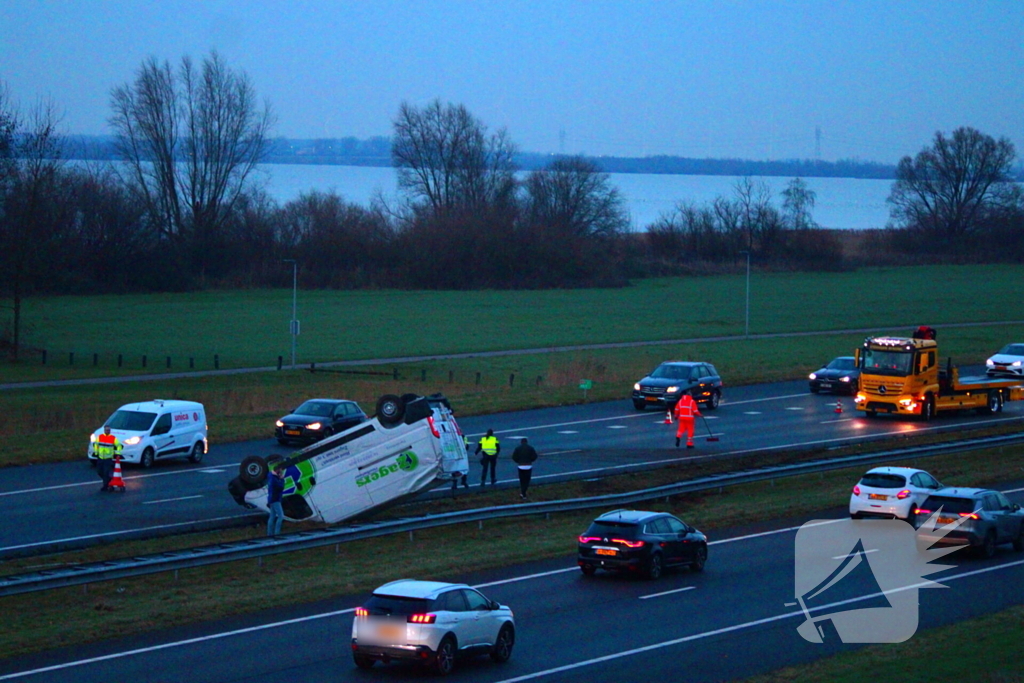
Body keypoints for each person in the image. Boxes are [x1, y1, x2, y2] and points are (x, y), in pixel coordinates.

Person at [93, 425, 122, 491]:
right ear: (104, 430)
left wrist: (118, 453)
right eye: (106, 430)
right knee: (99, 471)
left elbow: (119, 446)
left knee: (106, 472)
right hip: (100, 457)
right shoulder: (100, 437)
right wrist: (96, 453)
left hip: (108, 458)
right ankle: (109, 480)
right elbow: (96, 444)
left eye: (109, 430)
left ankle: (105, 486)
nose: (107, 431)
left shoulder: (113, 438)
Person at [266, 464, 285, 536]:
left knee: (272, 516)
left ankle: (269, 533)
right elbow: (281, 487)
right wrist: (282, 479)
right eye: (280, 470)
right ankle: (277, 533)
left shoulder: (271, 476)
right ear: (277, 470)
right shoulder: (274, 479)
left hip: (271, 499)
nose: (281, 471)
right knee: (281, 516)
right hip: (275, 499)